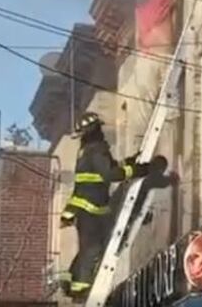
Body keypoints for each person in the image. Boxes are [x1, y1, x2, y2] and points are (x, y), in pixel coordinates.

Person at [59, 112, 166, 298]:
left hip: (84, 207)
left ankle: (70, 282)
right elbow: (111, 174)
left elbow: (110, 166)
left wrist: (129, 162)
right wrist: (140, 170)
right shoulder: (97, 149)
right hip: (90, 209)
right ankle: (80, 290)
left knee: (87, 247)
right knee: (92, 249)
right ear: (95, 130)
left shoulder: (87, 150)